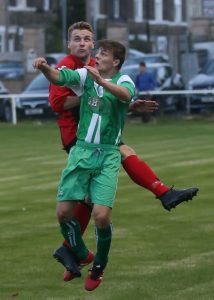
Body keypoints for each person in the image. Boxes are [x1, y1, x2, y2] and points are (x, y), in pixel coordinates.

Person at [47, 22, 198, 282]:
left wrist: (127, 103)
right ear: (69, 44)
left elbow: (108, 98)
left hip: (100, 133)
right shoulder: (69, 66)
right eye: (77, 39)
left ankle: (72, 251)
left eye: (87, 39)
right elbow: (58, 103)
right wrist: (91, 89)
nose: (82, 43)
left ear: (93, 44)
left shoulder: (99, 64)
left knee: (94, 199)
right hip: (78, 135)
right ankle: (162, 192)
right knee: (122, 156)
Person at [33, 39, 136, 291]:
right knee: (62, 213)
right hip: (81, 153)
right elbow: (60, 77)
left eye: (103, 54)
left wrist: (102, 82)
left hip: (108, 155)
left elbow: (125, 96)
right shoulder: (84, 75)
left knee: (101, 216)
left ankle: (99, 265)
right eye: (97, 52)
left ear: (115, 62)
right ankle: (82, 253)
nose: (96, 56)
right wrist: (45, 68)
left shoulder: (124, 80)